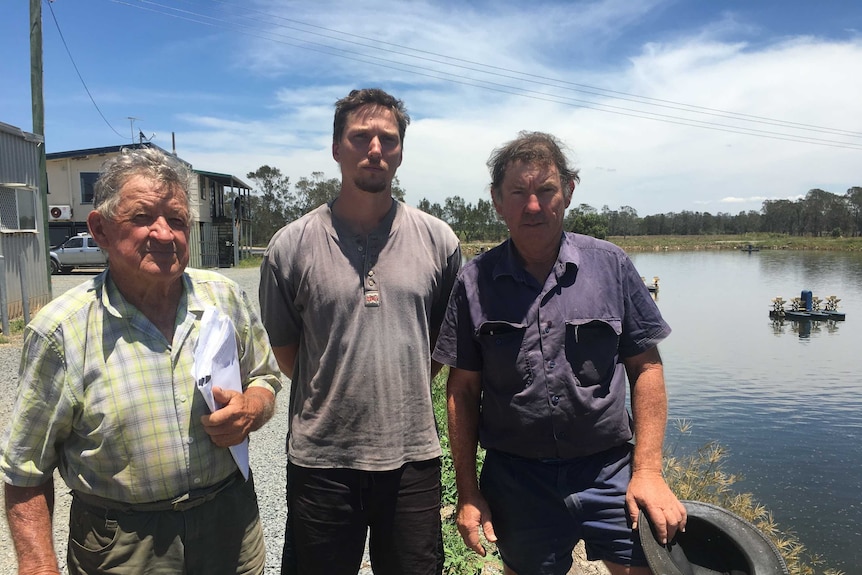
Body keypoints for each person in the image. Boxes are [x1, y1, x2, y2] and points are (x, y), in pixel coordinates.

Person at [1, 146, 282, 575]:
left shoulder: (223, 297)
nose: (164, 233)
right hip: (122, 545)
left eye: (177, 220)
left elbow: (264, 376)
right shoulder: (61, 330)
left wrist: (253, 408)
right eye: (142, 217)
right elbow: (25, 469)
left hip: (230, 524)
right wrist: (38, 565)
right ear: (100, 229)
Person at [433, 131, 687, 575]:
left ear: (568, 191)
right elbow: (462, 390)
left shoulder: (611, 266)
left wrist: (647, 470)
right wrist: (469, 492)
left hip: (608, 470)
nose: (533, 206)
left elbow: (645, 366)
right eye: (518, 192)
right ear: (496, 200)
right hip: (517, 480)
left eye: (546, 190)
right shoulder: (474, 281)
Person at [259, 88, 461, 575]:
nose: (375, 149)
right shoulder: (291, 246)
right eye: (360, 137)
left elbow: (439, 346)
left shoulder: (438, 240)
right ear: (336, 148)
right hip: (321, 460)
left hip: (412, 457)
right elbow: (290, 355)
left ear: (401, 151)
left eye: (387, 139)